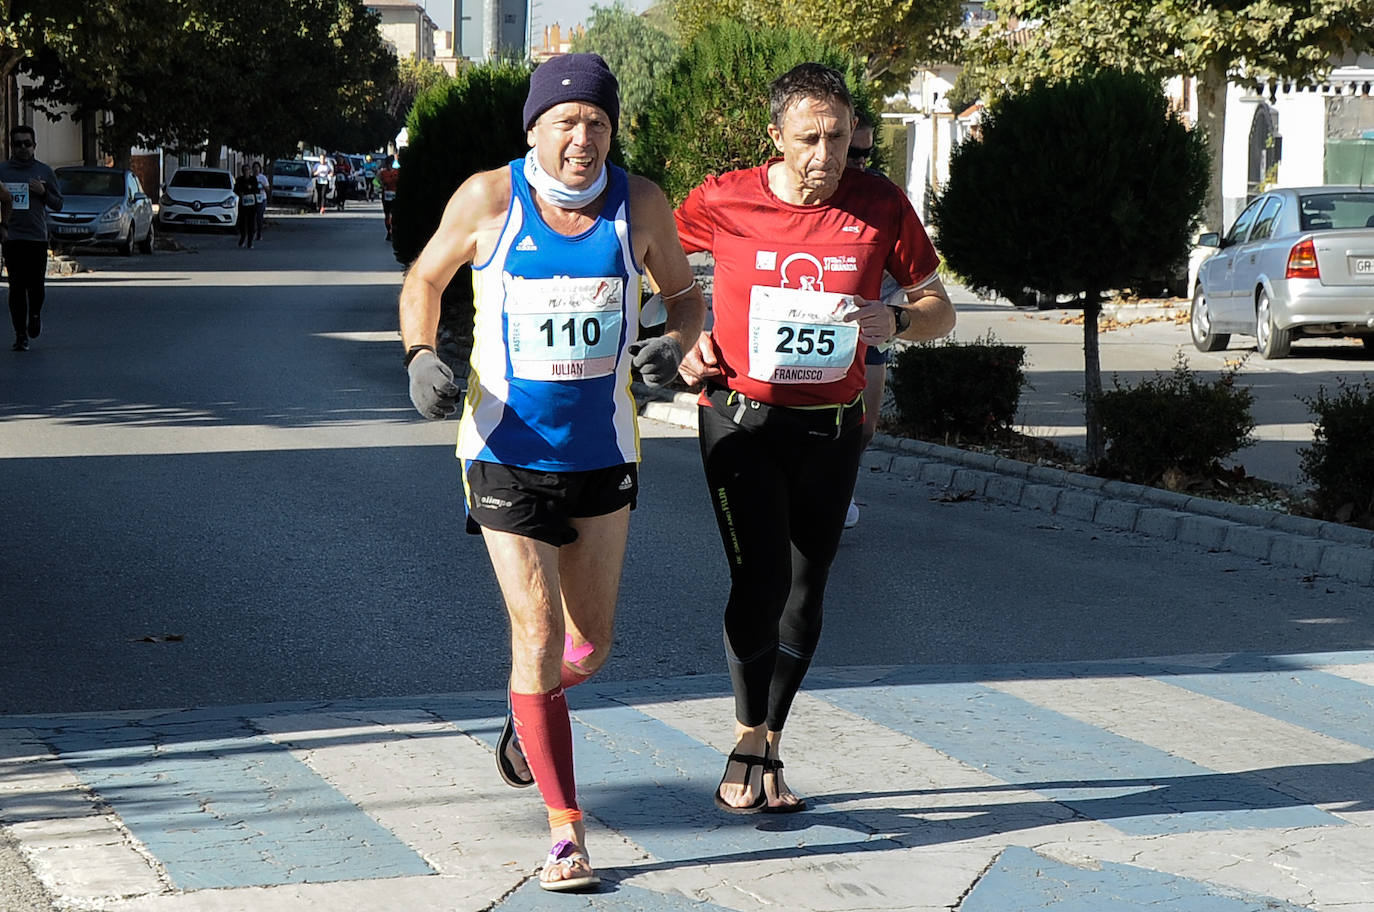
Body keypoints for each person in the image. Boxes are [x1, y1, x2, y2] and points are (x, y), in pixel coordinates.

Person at [396, 53, 704, 891]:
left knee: (589, 648)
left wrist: (673, 344)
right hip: (503, 448)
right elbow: (425, 277)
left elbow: (685, 294)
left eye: (597, 123)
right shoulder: (489, 198)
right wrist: (422, 353)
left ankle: (527, 708)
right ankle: (566, 832)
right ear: (533, 129)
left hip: (603, 450)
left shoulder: (638, 203)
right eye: (565, 123)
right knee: (534, 632)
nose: (583, 138)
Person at [674, 63, 955, 814]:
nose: (825, 155)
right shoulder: (724, 198)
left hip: (832, 428)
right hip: (740, 419)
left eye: (837, 138)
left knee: (806, 587)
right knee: (759, 581)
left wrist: (896, 321)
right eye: (807, 139)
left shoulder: (880, 206)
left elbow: (940, 308)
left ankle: (770, 740)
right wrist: (686, 337)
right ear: (775, 137)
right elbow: (654, 260)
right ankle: (744, 732)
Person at [843, 115, 903, 529]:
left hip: (870, 322)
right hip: (818, 323)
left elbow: (909, 264)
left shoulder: (881, 194)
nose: (862, 162)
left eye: (868, 153)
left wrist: (893, 307)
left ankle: (840, 488)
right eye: (854, 153)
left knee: (865, 426)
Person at [0, 126, 64, 352]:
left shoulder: (44, 172)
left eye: (27, 143)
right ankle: (20, 335)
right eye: (18, 144)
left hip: (36, 237)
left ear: (35, 146)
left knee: (35, 287)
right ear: (12, 147)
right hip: (12, 237)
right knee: (16, 287)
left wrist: (43, 192)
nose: (23, 148)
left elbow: (58, 204)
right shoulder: (3, 171)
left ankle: (35, 314)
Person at [233, 164, 257, 249]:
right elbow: (235, 189)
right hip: (243, 205)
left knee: (251, 223)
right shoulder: (239, 180)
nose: (246, 171)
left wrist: (251, 188)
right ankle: (243, 237)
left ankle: (250, 242)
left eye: (248, 170)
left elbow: (256, 189)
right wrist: (240, 193)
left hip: (252, 204)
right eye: (245, 170)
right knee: (242, 223)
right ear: (242, 171)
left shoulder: (253, 179)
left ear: (250, 171)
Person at [377, 155, 399, 241]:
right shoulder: (382, 173)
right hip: (386, 196)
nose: (389, 166)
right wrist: (381, 186)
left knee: (394, 215)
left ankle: (393, 231)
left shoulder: (397, 172)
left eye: (390, 164)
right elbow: (375, 181)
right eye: (387, 164)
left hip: (395, 196)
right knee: (387, 215)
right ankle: (389, 232)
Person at [251, 161, 269, 241]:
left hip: (262, 199)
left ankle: (259, 233)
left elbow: (268, 189)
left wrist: (262, 184)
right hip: (252, 199)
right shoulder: (251, 178)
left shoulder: (263, 178)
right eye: (254, 167)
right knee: (252, 217)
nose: (256, 169)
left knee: (259, 217)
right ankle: (253, 232)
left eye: (257, 167)